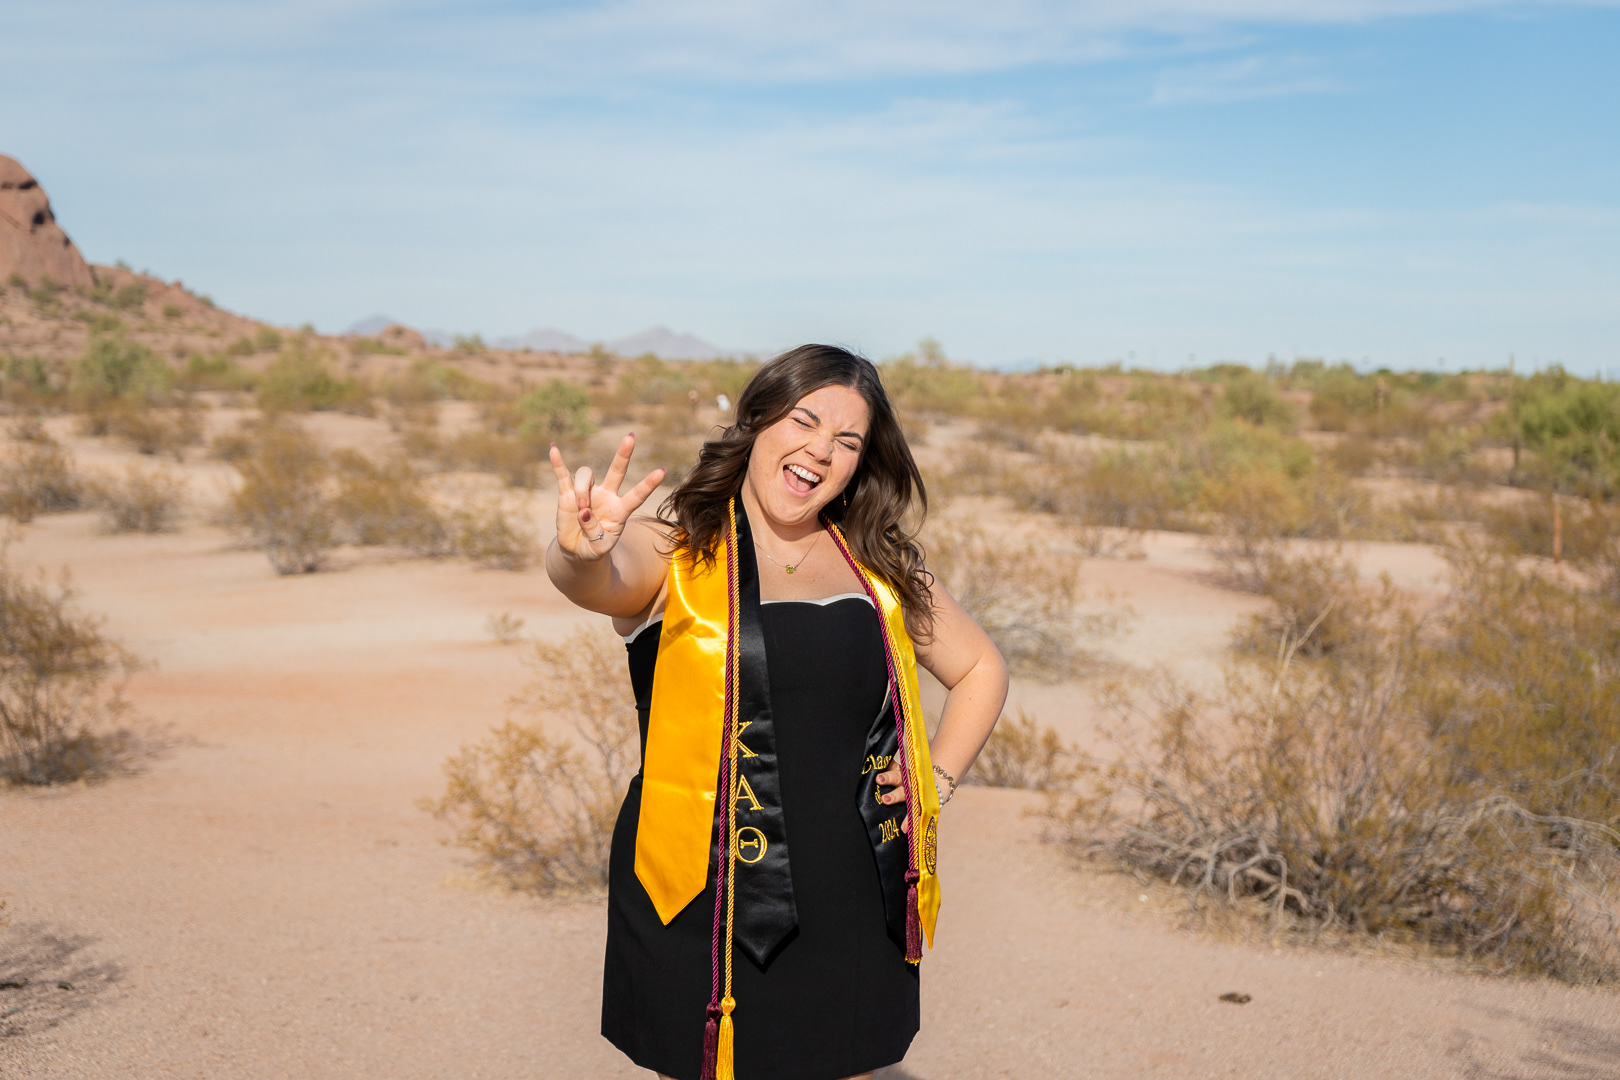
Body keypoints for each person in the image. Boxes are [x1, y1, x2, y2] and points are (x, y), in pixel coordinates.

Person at [545, 344, 1008, 1080]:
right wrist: (578, 552)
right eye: (804, 420)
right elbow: (601, 577)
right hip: (697, 884)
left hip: (849, 888)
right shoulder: (680, 547)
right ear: (759, 420)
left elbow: (981, 667)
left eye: (848, 441)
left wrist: (936, 781)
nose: (820, 451)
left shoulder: (878, 563)